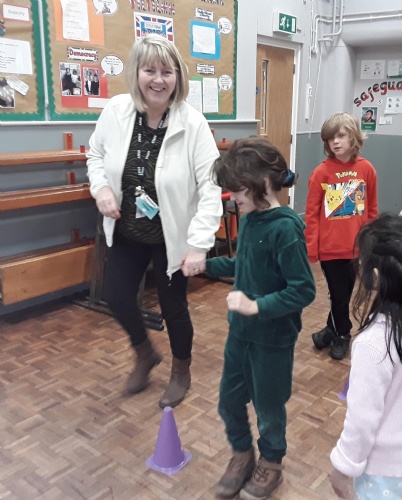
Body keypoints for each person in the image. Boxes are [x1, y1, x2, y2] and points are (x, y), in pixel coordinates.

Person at [86, 34, 222, 409]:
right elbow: (95, 155)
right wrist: (102, 189)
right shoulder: (116, 111)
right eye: (150, 70)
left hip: (171, 237)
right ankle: (145, 353)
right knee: (116, 296)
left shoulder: (193, 124)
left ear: (178, 76)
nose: (158, 80)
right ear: (137, 73)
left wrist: (198, 244)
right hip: (128, 229)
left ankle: (181, 371)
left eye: (167, 71)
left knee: (173, 308)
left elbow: (211, 186)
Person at [199, 138, 316, 500]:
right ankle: (241, 454)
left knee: (268, 409)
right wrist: (205, 266)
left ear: (263, 182)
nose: (232, 197)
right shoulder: (250, 219)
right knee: (228, 401)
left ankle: (271, 463)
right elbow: (244, 265)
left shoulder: (286, 229)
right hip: (240, 334)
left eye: (237, 190)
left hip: (272, 340)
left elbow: (303, 290)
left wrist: (256, 306)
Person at [329, 213, 402, 499]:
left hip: (383, 473)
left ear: (376, 276)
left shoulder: (373, 343)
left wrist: (343, 467)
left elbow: (362, 420)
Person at [305, 112, 378, 361]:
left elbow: (371, 210)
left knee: (343, 294)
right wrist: (312, 248)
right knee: (338, 294)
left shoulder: (366, 169)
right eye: (330, 138)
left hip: (356, 248)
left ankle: (329, 330)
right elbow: (312, 215)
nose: (335, 142)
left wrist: (370, 245)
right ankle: (343, 334)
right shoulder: (321, 173)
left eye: (340, 135)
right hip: (330, 249)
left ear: (353, 136)